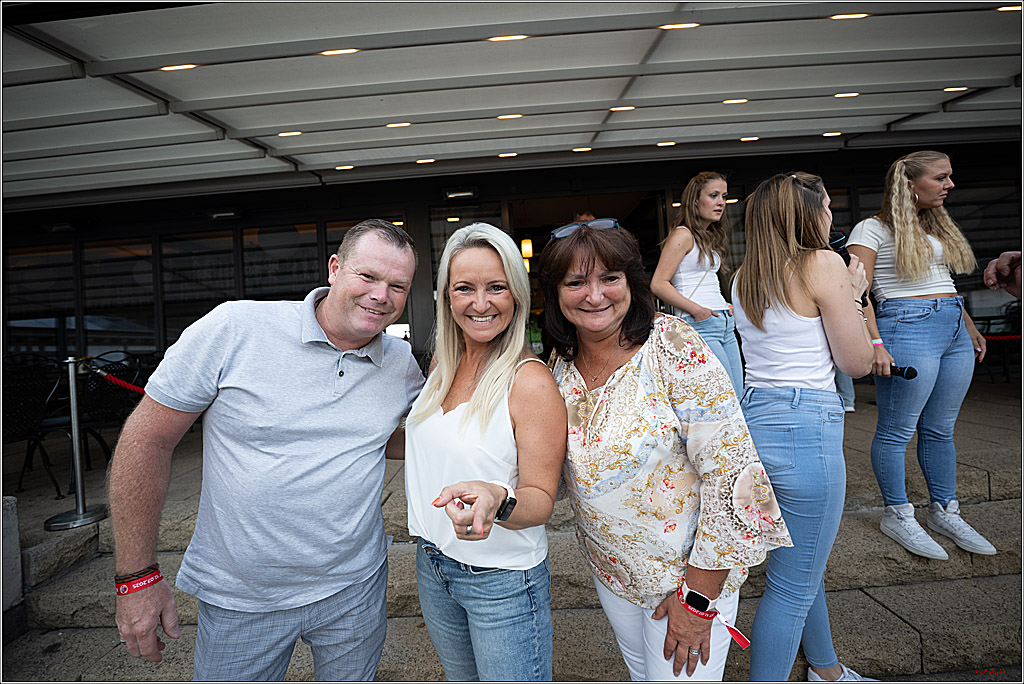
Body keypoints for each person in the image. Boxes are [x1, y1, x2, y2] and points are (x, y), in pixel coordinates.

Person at [108, 219, 425, 680]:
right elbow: (147, 440)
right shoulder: (235, 327)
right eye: (368, 276)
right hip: (243, 597)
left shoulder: (399, 363)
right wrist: (136, 576)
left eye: (398, 285)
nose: (382, 295)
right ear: (334, 269)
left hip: (355, 588)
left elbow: (407, 435)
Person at [538, 221, 791, 682]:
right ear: (555, 293)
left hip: (688, 581)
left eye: (609, 278)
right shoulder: (559, 364)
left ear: (631, 282)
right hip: (613, 573)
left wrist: (698, 598)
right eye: (575, 282)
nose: (594, 295)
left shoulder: (670, 343)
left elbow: (734, 473)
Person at [403, 223, 566, 681]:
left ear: (515, 294)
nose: (480, 303)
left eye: (496, 287)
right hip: (434, 563)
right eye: (464, 288)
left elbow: (541, 497)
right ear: (446, 297)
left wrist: (499, 498)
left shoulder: (529, 381)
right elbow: (423, 442)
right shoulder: (441, 365)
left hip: (502, 582)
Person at [732, 172, 875, 682]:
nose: (832, 215)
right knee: (792, 587)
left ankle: (828, 671)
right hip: (807, 426)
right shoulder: (823, 263)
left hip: (756, 422)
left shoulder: (745, 274)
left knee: (797, 569)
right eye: (828, 206)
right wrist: (857, 295)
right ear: (807, 215)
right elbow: (856, 362)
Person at [847, 151, 997, 560]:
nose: (950, 185)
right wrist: (874, 343)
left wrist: (965, 323)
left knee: (940, 430)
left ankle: (944, 510)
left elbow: (943, 280)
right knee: (897, 429)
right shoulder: (871, 228)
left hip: (950, 325)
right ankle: (897, 512)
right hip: (905, 326)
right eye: (941, 177)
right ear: (910, 184)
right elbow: (855, 291)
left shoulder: (931, 224)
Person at [650, 172, 743, 395]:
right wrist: (698, 311)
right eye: (713, 195)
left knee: (736, 394)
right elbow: (658, 284)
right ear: (694, 201)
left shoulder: (708, 235)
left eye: (724, 196)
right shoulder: (682, 235)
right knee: (721, 395)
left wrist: (726, 305)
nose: (721, 202)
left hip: (723, 322)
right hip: (700, 322)